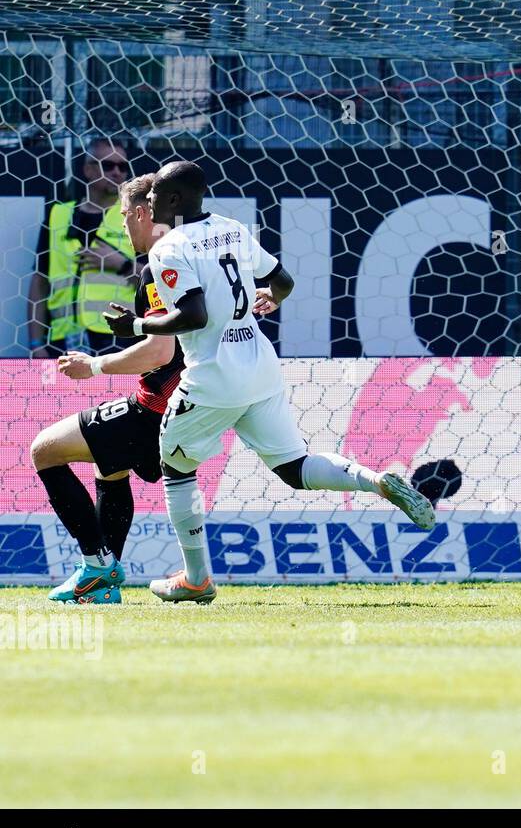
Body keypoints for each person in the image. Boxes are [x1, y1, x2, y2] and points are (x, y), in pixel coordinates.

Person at [104, 160, 436, 604]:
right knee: (295, 468)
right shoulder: (232, 229)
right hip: (260, 367)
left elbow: (195, 315)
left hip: (214, 377)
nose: (149, 203)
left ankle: (197, 578)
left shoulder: (169, 248)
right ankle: (376, 481)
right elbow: (283, 281)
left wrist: (136, 328)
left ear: (175, 200)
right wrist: (270, 298)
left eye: (156, 196)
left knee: (177, 469)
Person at [31, 173, 184, 603]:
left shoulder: (161, 264)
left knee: (44, 450)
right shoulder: (191, 254)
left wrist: (93, 366)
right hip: (189, 405)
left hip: (155, 406)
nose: (120, 226)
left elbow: (158, 352)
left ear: (142, 213)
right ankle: (100, 585)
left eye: (122, 216)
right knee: (109, 468)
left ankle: (97, 565)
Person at [27, 138, 138, 358]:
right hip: (61, 340)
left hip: (119, 340)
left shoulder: (137, 218)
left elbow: (159, 281)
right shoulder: (58, 216)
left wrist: (122, 265)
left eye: (123, 166)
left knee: (118, 394)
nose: (117, 172)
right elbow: (39, 282)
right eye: (108, 165)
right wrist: (36, 344)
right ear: (88, 169)